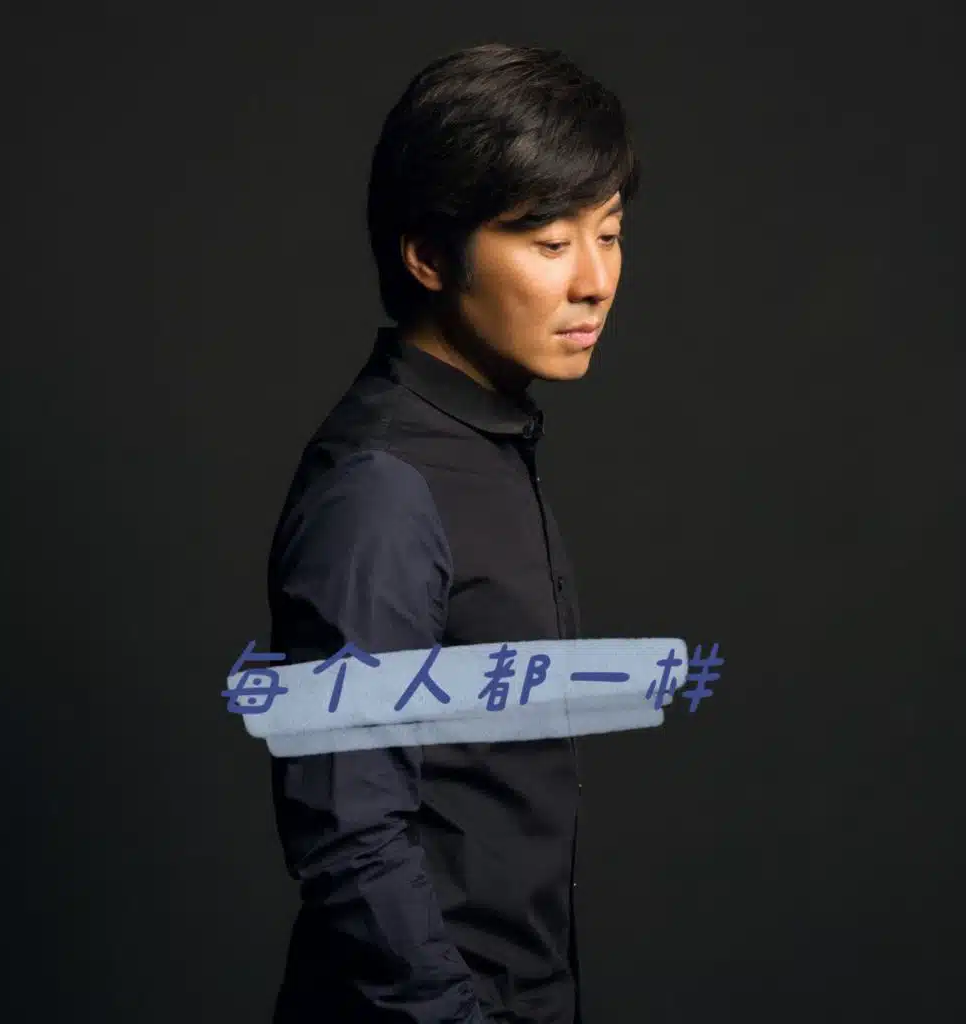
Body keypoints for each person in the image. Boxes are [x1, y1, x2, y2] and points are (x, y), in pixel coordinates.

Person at [266, 41, 641, 1023]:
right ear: (430, 256)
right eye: (550, 243)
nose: (595, 279)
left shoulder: (489, 446)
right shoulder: (383, 487)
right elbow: (350, 837)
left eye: (607, 233)